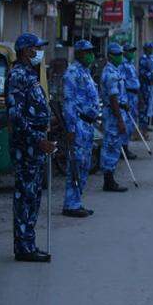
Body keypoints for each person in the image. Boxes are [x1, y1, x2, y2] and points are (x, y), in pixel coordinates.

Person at [6, 32, 55, 262]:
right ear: (26, 51)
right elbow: (15, 115)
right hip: (26, 147)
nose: (38, 52)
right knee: (25, 197)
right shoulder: (17, 75)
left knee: (33, 196)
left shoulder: (30, 74)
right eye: (36, 48)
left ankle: (29, 243)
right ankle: (24, 248)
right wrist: (38, 139)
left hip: (35, 147)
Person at [61, 40, 101, 219]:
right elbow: (69, 103)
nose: (91, 55)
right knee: (76, 164)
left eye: (92, 51)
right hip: (77, 124)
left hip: (87, 124)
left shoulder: (85, 72)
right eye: (87, 52)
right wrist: (70, 128)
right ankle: (71, 204)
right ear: (79, 53)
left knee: (84, 163)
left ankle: (77, 201)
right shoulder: (72, 73)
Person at [99, 44, 130, 193]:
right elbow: (112, 98)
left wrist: (123, 106)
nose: (121, 57)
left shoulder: (115, 71)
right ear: (110, 56)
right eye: (118, 54)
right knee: (110, 146)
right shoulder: (110, 73)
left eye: (121, 54)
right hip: (112, 115)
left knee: (114, 145)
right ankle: (108, 181)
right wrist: (120, 119)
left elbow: (117, 97)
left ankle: (110, 179)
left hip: (115, 112)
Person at [121, 45, 141, 159]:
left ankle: (126, 146)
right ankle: (124, 148)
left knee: (131, 122)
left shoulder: (130, 64)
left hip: (133, 96)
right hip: (127, 95)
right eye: (129, 51)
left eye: (133, 51)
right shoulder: (122, 65)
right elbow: (122, 83)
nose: (131, 53)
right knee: (127, 123)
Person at [138, 42, 153, 128]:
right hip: (145, 84)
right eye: (150, 48)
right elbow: (146, 73)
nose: (152, 50)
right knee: (145, 105)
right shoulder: (144, 59)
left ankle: (147, 123)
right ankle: (144, 125)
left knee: (151, 103)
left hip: (151, 84)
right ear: (146, 49)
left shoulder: (150, 58)